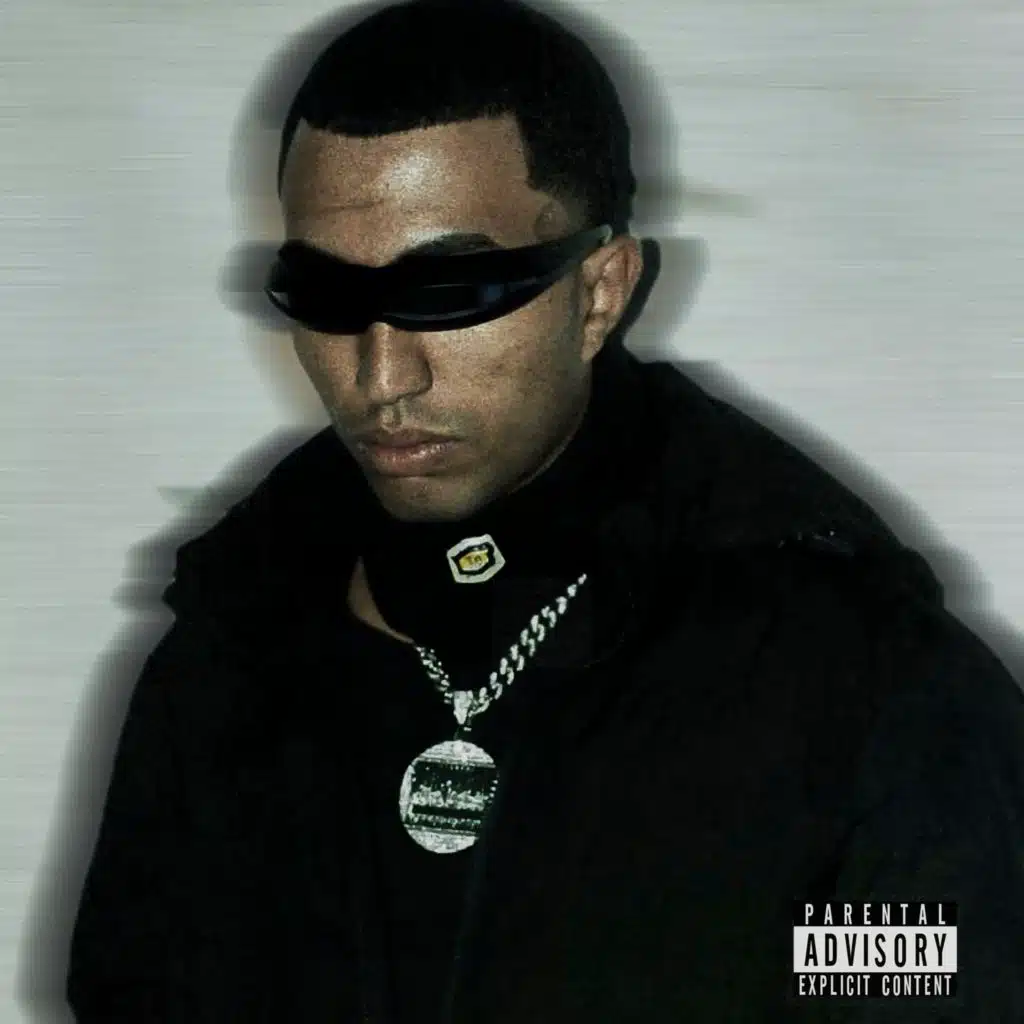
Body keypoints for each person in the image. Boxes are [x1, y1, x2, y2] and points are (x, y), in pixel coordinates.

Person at [65, 0, 1024, 1020]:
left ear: (600, 292)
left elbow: (925, 993)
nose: (381, 377)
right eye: (327, 297)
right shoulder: (224, 655)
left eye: (451, 291)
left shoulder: (858, 687)